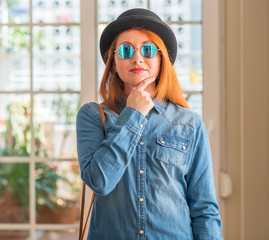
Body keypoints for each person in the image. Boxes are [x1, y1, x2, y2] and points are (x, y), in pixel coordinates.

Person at [76, 8, 223, 240]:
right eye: (125, 50)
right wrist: (133, 113)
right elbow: (100, 181)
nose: (137, 58)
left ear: (161, 59)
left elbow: (204, 210)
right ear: (113, 63)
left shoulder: (190, 123)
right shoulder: (93, 116)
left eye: (147, 49)